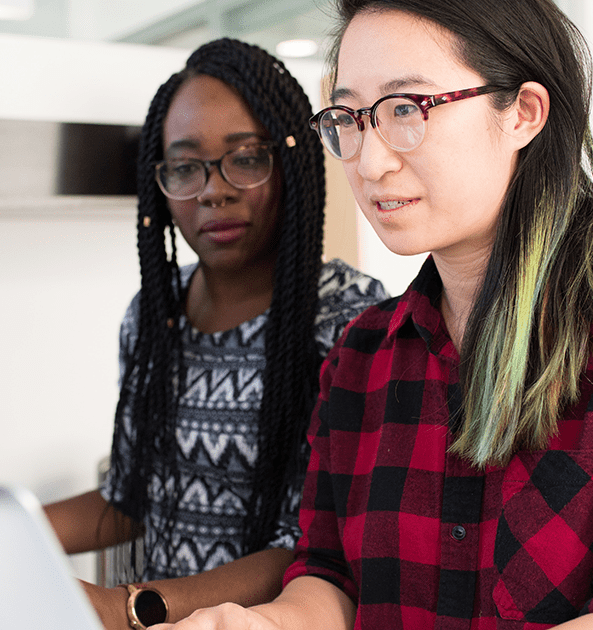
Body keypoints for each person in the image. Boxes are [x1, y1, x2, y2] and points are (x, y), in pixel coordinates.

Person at [156, 2, 593, 630]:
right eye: (350, 117)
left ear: (522, 112)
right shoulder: (363, 352)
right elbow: (331, 577)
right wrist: (263, 624)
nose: (370, 162)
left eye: (406, 109)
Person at [43, 37, 388, 630]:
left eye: (246, 157)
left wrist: (126, 606)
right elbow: (127, 500)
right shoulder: (153, 314)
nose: (213, 189)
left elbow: (309, 549)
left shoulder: (349, 318)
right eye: (185, 167)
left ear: (291, 164)